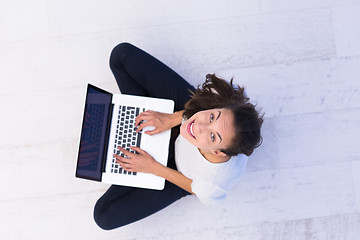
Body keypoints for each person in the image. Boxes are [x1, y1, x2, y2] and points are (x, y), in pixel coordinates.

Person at [93, 42, 263, 230]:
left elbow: (194, 188)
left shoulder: (216, 182)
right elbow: (198, 116)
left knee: (104, 216)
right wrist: (173, 118)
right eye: (213, 116)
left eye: (213, 136)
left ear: (220, 152)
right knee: (121, 56)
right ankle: (138, 120)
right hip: (182, 115)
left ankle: (141, 127)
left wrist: (152, 167)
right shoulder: (223, 102)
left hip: (179, 171)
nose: (199, 125)